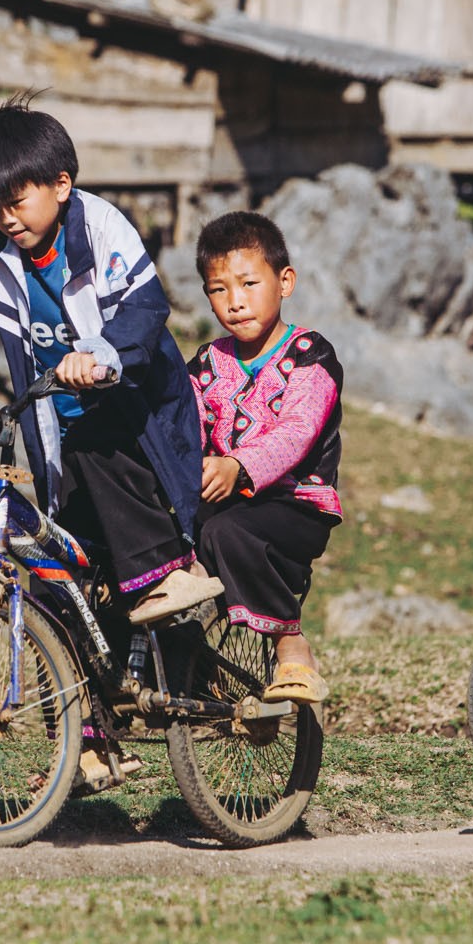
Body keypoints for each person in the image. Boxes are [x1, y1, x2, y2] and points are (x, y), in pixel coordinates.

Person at [0, 93, 222, 651]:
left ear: (60, 184)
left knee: (94, 463)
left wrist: (101, 356)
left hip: (136, 420)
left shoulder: (101, 226)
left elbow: (145, 313)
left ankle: (172, 573)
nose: (5, 217)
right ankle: (86, 734)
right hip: (55, 428)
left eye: (17, 200)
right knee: (60, 576)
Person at [187, 211, 343, 705]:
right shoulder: (207, 364)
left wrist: (238, 466)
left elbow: (296, 432)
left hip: (294, 506)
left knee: (224, 532)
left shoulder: (310, 355)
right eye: (218, 290)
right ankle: (185, 668)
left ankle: (292, 647)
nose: (234, 302)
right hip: (225, 503)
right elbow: (182, 427)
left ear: (285, 281)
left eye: (249, 283)